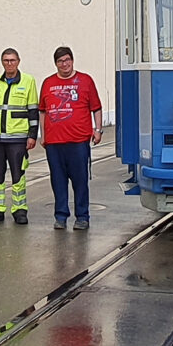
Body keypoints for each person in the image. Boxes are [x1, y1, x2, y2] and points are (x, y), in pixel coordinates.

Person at [39, 47, 103, 230]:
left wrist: (98, 130)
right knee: (58, 181)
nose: (64, 64)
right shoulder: (48, 83)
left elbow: (96, 107)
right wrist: (43, 135)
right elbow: (42, 111)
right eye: (60, 61)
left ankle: (82, 216)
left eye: (67, 60)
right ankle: (60, 216)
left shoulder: (85, 80)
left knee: (80, 181)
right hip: (54, 142)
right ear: (55, 63)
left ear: (72, 60)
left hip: (78, 141)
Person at [0, 48, 39, 225]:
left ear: (18, 61)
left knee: (18, 176)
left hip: (18, 139)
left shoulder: (28, 81)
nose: (9, 63)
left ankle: (19, 210)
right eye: (6, 60)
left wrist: (32, 136)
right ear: (2, 62)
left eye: (12, 60)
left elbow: (33, 111)